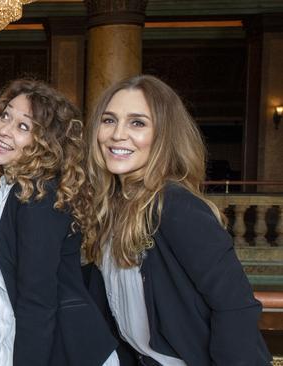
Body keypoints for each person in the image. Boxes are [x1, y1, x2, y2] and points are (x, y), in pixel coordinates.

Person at [84, 74, 272, 365]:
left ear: (164, 134)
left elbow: (235, 307)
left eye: (138, 122)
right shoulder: (114, 207)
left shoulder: (175, 205)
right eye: (109, 120)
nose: (117, 134)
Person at [0, 78, 119, 366]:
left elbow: (37, 303)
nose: (4, 130)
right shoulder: (15, 188)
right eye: (6, 116)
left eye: (23, 127)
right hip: (12, 338)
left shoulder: (38, 196)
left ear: (45, 142)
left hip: (62, 350)